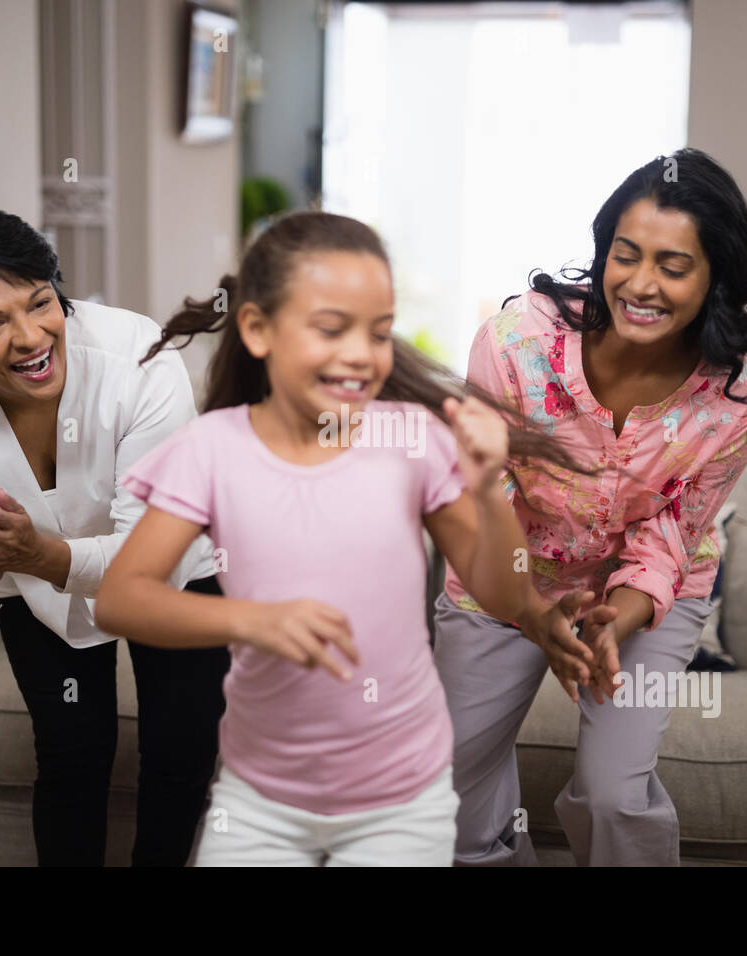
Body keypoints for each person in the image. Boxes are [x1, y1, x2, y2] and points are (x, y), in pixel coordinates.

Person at [94, 210, 612, 866]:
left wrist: (487, 489)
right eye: (331, 329)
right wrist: (251, 620)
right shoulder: (211, 449)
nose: (360, 354)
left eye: (379, 332)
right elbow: (120, 598)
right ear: (257, 328)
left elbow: (504, 595)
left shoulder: (413, 438)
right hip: (258, 799)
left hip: (402, 799)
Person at [433, 148, 747, 866]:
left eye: (673, 267)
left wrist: (614, 621)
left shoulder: (738, 398)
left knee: (616, 794)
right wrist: (532, 608)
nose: (641, 285)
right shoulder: (518, 344)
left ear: (716, 277)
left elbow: (673, 531)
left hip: (646, 591)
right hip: (506, 574)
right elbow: (479, 499)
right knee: (451, 802)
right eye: (625, 256)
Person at [0, 204, 228, 866]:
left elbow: (149, 556)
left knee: (181, 755)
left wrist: (38, 554)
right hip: (35, 591)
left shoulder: (141, 360)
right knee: (71, 758)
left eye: (40, 302)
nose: (30, 336)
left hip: (174, 571)